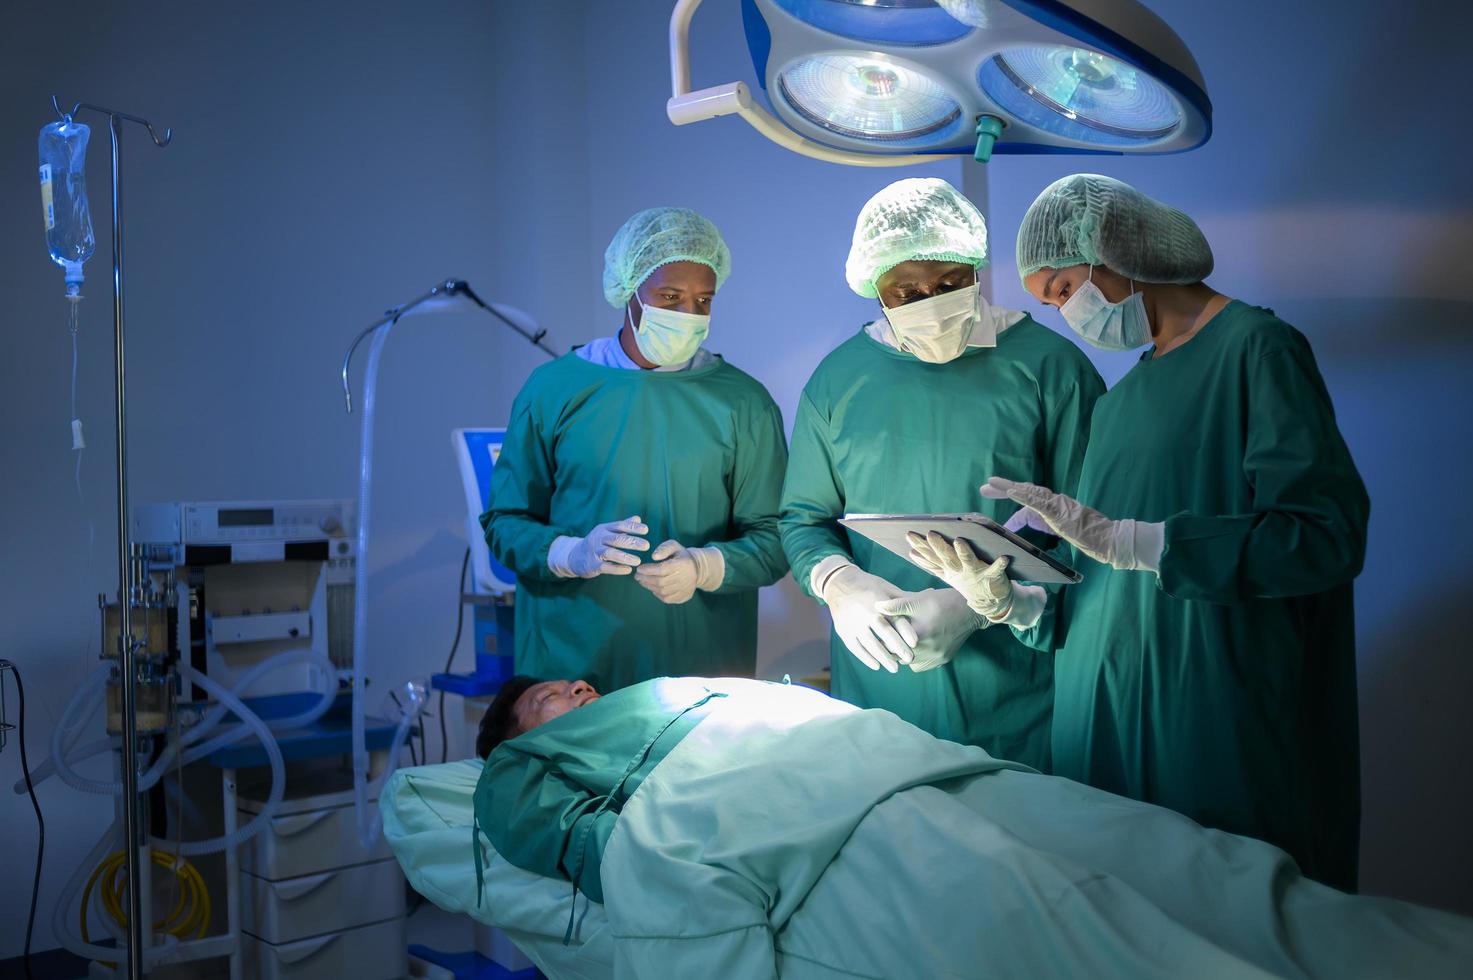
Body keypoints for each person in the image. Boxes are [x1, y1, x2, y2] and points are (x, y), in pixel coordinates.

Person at [918, 174, 1369, 890]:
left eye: (1064, 288)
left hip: (1214, 715)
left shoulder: (1256, 349)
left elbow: (1322, 536)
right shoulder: (1118, 401)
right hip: (1100, 720)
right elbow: (1096, 579)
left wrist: (1141, 543)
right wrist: (1009, 599)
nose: (1067, 314)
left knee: (1233, 919)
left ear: (1114, 249)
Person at [450, 675, 1473, 980]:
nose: (575, 687)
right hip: (831, 832)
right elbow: (603, 851)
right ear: (516, 736)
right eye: (547, 695)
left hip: (896, 766)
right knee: (1082, 925)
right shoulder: (517, 775)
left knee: (1203, 870)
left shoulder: (683, 686)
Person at [779, 177, 1105, 769]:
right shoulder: (838, 381)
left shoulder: (1051, 368)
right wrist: (839, 585)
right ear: (874, 290)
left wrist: (980, 604)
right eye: (905, 292)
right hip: (880, 691)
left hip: (1018, 692)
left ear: (976, 268)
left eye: (949, 283)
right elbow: (803, 519)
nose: (929, 300)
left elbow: (1091, 523)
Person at [483, 207, 789, 691]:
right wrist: (570, 553)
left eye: (702, 300)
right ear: (629, 291)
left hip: (701, 671)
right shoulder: (554, 390)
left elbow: (775, 539)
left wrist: (705, 566)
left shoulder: (743, 402)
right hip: (569, 672)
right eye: (670, 296)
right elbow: (505, 523)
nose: (688, 315)